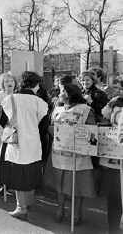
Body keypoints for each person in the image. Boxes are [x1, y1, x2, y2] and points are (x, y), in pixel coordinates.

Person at [44, 83, 97, 226]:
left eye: (61, 91)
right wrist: (53, 129)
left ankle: (77, 212)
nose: (59, 94)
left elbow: (91, 130)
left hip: (78, 154)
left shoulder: (85, 109)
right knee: (61, 184)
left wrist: (74, 131)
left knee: (78, 185)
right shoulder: (58, 109)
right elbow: (50, 127)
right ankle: (60, 210)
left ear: (69, 94)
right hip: (60, 153)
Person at [0, 71, 48, 218]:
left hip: (16, 141)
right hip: (33, 142)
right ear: (36, 85)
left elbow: (2, 121)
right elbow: (44, 126)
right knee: (32, 173)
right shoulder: (40, 102)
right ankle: (30, 203)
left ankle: (21, 207)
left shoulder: (10, 99)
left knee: (19, 175)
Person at [0, 73, 18, 195]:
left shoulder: (19, 95)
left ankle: (16, 185)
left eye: (11, 81)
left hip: (18, 131)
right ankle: (4, 185)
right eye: (6, 81)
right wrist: (4, 111)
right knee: (4, 159)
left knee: (16, 159)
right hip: (4, 131)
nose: (9, 83)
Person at [100, 77, 123, 234]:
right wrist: (111, 102)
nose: (119, 90)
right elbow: (105, 114)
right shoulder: (117, 103)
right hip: (112, 153)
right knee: (113, 195)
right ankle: (113, 229)